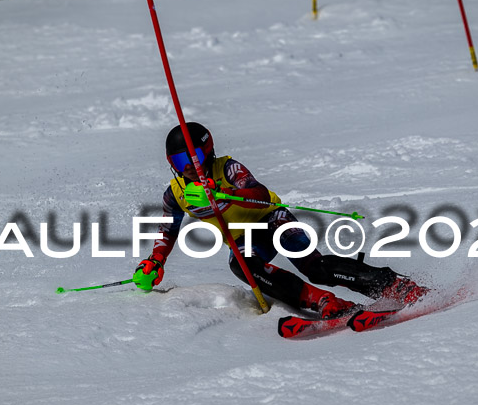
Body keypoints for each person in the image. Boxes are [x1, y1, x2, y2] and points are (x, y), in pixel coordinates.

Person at [133, 122, 426, 319]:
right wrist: (155, 261)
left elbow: (257, 191)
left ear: (207, 151)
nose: (190, 169)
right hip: (245, 238)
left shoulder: (227, 169)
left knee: (316, 267)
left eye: (194, 158)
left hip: (271, 218)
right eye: (181, 164)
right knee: (243, 265)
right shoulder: (176, 194)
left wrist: (225, 194)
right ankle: (323, 302)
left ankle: (393, 286)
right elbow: (167, 229)